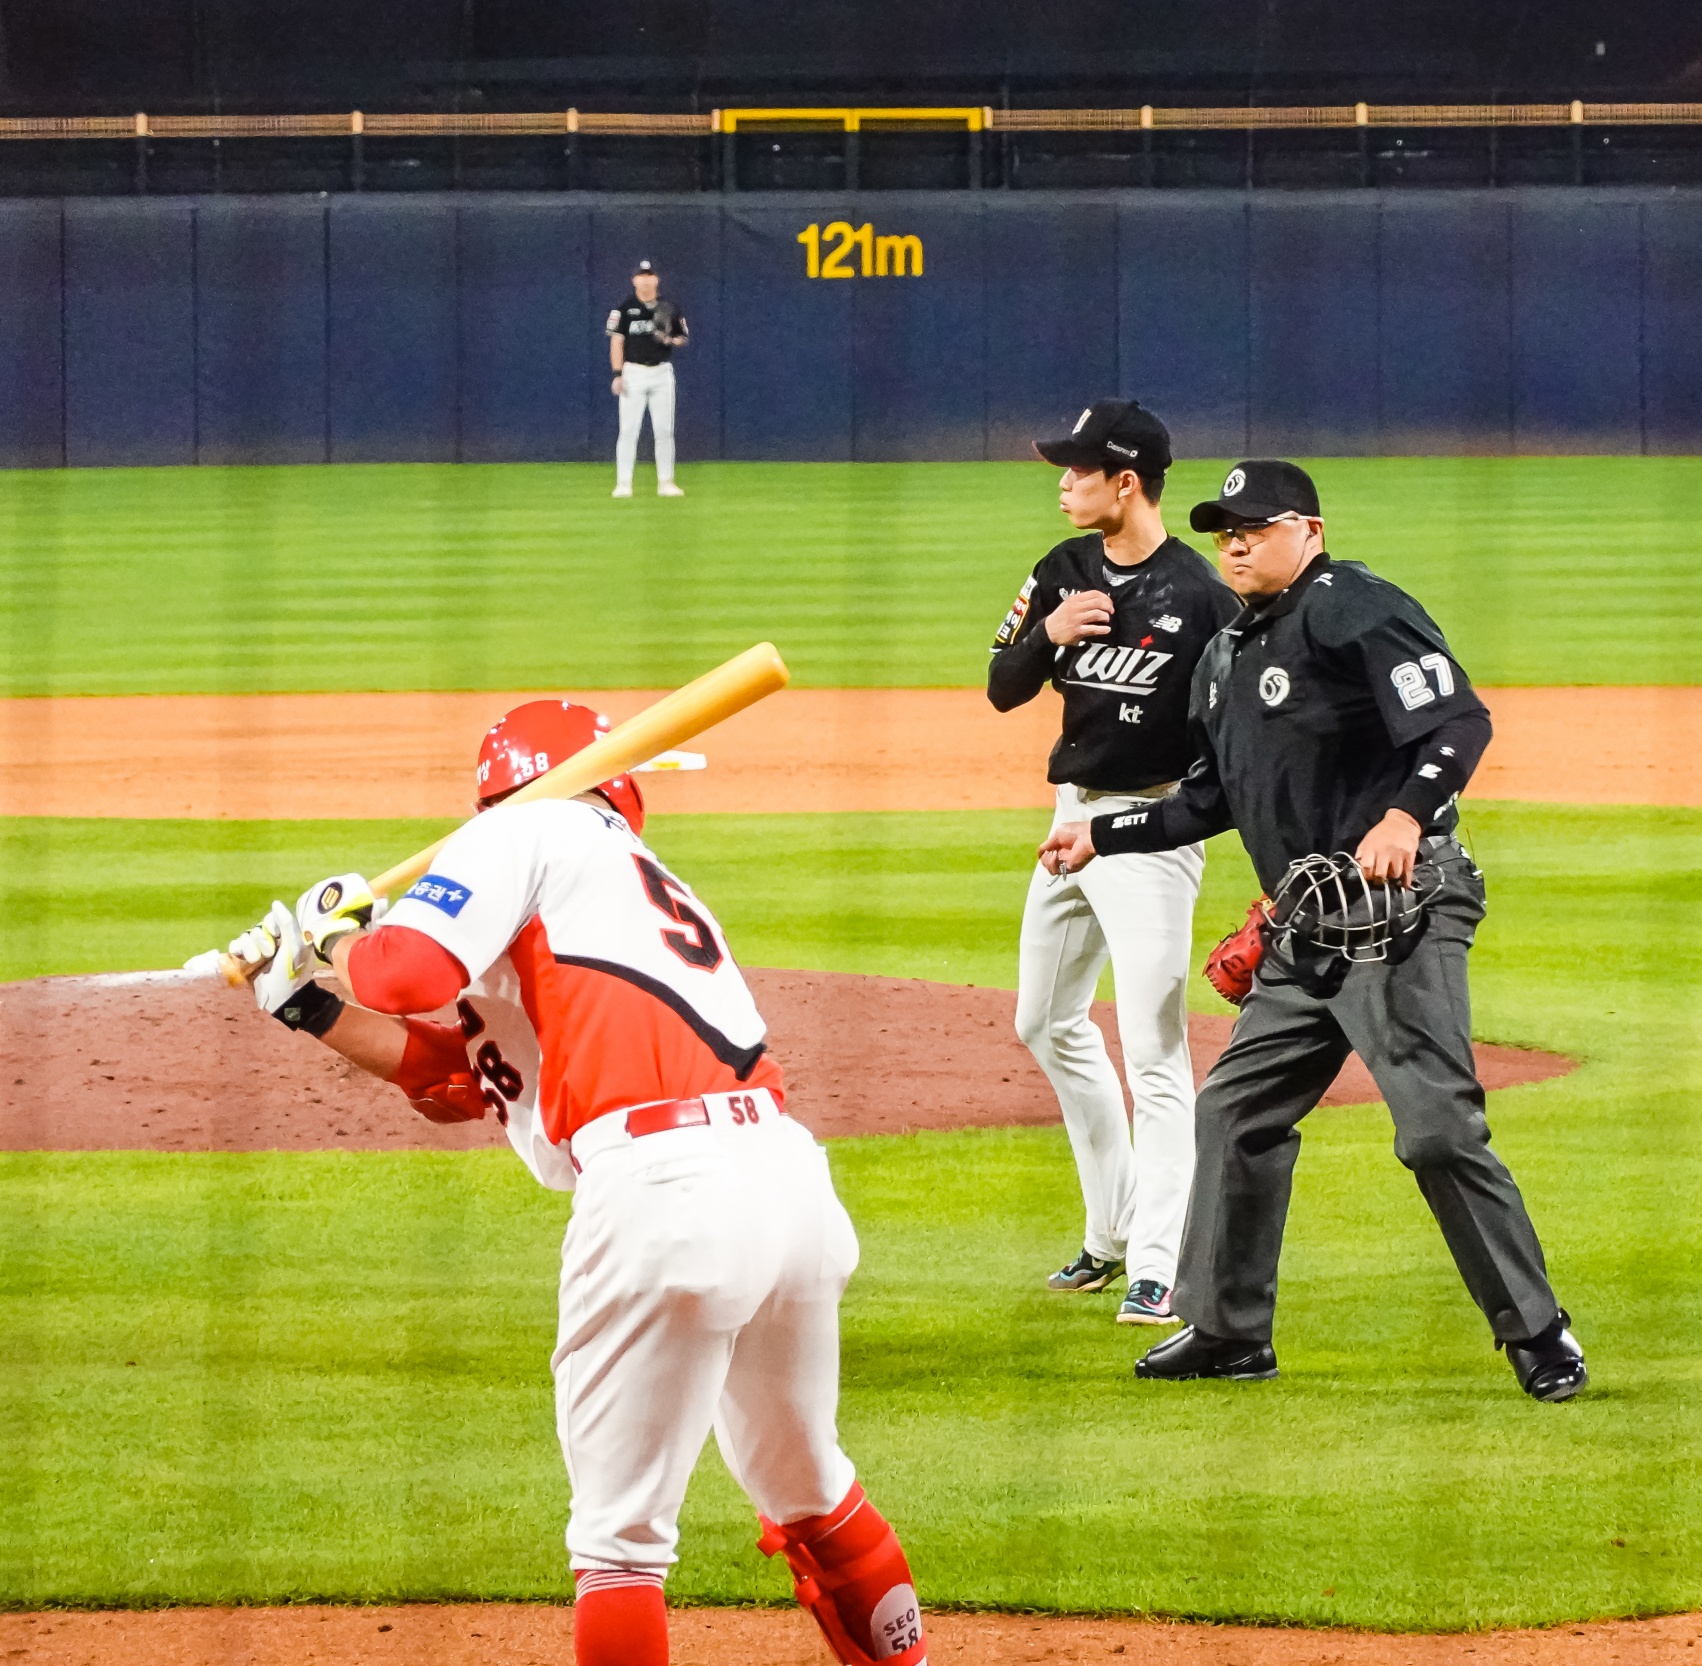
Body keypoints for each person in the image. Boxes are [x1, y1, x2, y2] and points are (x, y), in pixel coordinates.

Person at [216, 700, 922, 1666]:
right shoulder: (616, 880)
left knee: (618, 1547)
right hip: (786, 1181)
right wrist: (307, 1002)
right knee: (812, 1488)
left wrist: (341, 936)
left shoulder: (524, 826)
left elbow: (404, 971)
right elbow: (464, 1080)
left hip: (664, 1191)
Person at [1036, 460, 1587, 1404]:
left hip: (1401, 910)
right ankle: (1228, 1331)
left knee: (1436, 1131)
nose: (1237, 544)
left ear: (1311, 532)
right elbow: (1208, 799)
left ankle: (1538, 1331)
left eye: (1257, 527)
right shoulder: (1225, 655)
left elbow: (1458, 722)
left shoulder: (1350, 606)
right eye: (1225, 532)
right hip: (1306, 927)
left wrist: (1405, 815)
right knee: (1234, 1112)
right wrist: (1105, 833)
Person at [987, 399, 1238, 1326]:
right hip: (1068, 824)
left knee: (1156, 1053)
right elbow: (1001, 687)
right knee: (1044, 1021)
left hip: (1152, 836)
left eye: (1078, 469)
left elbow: (1230, 744)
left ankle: (1159, 1268)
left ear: (1125, 483)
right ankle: (1112, 1232)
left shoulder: (1203, 598)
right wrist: (1048, 636)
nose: (1062, 482)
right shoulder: (1060, 572)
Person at [608, 259, 688, 499]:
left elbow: (682, 337)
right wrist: (617, 374)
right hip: (633, 372)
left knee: (664, 431)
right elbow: (616, 342)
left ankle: (666, 482)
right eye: (641, 276)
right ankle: (623, 483)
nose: (645, 280)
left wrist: (670, 339)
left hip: (661, 372)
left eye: (649, 275)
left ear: (656, 279)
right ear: (634, 280)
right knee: (628, 431)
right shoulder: (623, 310)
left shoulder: (669, 307)